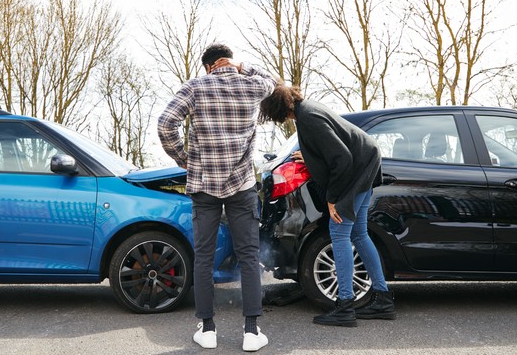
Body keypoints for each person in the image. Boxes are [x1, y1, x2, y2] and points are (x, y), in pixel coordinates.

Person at [157, 43, 276, 351]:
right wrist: (244, 68)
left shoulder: (195, 86)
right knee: (249, 257)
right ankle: (251, 331)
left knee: (205, 257)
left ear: (207, 66)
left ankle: (207, 329)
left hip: (204, 184)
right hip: (241, 185)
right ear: (229, 62)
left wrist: (183, 158)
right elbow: (272, 81)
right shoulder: (251, 84)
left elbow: (166, 123)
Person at [258, 83, 396, 327]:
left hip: (356, 169)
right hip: (365, 163)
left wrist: (333, 199)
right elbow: (331, 150)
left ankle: (345, 306)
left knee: (339, 233)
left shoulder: (308, 118)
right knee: (359, 234)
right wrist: (310, 157)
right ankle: (383, 299)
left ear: (277, 109)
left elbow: (341, 159)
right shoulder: (307, 109)